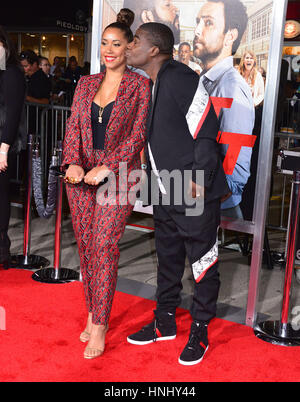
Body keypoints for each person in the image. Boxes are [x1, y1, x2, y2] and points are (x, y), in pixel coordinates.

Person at [126, 22, 229, 366]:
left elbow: (207, 129)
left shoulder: (179, 76)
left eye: (136, 41)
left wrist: (200, 177)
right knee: (167, 257)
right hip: (164, 185)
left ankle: (200, 329)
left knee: (202, 262)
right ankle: (165, 321)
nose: (129, 46)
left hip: (192, 186)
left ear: (154, 50)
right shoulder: (152, 82)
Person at [62, 22, 151, 360]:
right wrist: (72, 161)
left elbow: (138, 134)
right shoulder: (85, 84)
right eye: (104, 43)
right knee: (86, 246)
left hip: (121, 173)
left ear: (129, 47)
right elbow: (73, 125)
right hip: (81, 175)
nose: (109, 50)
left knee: (104, 243)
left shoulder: (140, 85)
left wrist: (107, 166)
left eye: (116, 43)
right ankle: (92, 310)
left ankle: (99, 324)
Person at [193, 0, 255, 219]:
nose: (197, 30)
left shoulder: (231, 86)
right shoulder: (206, 80)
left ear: (231, 35)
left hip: (216, 205)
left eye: (208, 22)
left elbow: (235, 152)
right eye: (198, 21)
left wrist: (219, 193)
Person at [0, 26, 26, 268]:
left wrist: (3, 148)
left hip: (1, 145)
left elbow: (13, 114)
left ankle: (2, 251)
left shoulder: (11, 74)